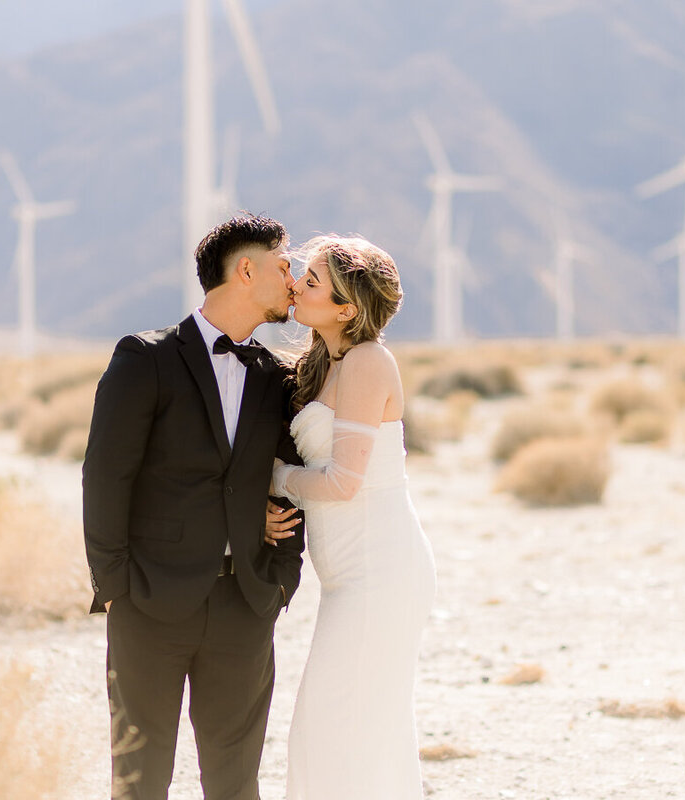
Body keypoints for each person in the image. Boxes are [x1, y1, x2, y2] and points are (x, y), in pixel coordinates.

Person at [83, 213, 305, 800]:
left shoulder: (276, 378)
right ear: (247, 270)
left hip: (245, 604)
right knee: (140, 777)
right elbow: (106, 477)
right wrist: (115, 586)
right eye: (284, 266)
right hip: (150, 603)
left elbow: (288, 483)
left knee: (236, 781)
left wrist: (280, 581)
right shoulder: (145, 359)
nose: (294, 280)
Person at [264, 235, 437, 799]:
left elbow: (342, 481)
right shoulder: (323, 362)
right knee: (346, 727)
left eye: (312, 280)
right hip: (347, 576)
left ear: (346, 307)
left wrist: (275, 480)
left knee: (334, 724)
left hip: (380, 570)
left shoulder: (367, 362)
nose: (297, 283)